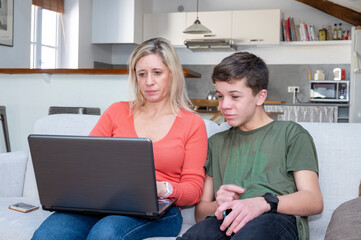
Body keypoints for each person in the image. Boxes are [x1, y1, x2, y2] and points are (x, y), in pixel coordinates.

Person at [32, 37, 208, 240]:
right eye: (142, 74)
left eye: (157, 73)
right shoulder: (117, 111)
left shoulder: (192, 123)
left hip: (160, 211)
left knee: (105, 233)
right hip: (100, 203)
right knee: (48, 234)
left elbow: (194, 189)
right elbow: (85, 162)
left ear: (173, 74)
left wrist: (162, 188)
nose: (149, 81)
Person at [177, 52, 323, 240]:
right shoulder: (216, 142)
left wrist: (263, 203)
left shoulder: (291, 134)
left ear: (260, 97)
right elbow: (200, 213)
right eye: (220, 96)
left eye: (235, 96)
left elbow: (313, 200)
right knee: (196, 236)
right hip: (226, 219)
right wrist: (220, 204)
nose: (224, 105)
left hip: (275, 218)